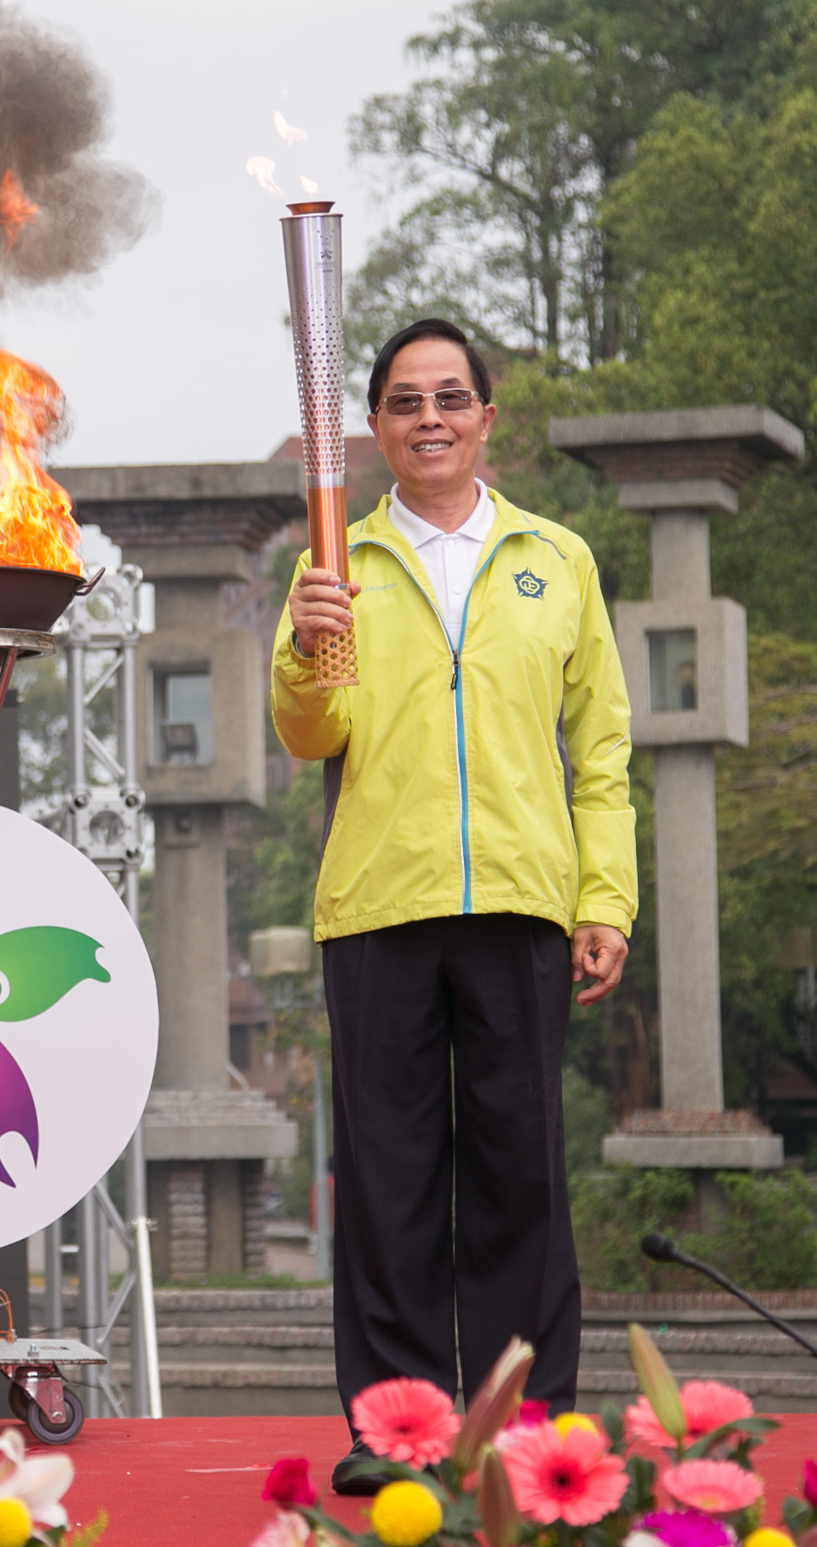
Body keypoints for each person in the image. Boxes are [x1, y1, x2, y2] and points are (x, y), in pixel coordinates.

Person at [270, 318, 637, 1495]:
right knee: (389, 1182)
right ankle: (400, 1431)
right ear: (373, 428)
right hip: (379, 901)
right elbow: (308, 731)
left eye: (451, 397)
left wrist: (605, 896)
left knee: (522, 1172)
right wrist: (303, 651)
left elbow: (602, 751)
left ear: (487, 416)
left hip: (524, 900)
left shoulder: (556, 560)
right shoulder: (339, 563)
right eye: (405, 401)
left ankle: (530, 1431)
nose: (430, 417)